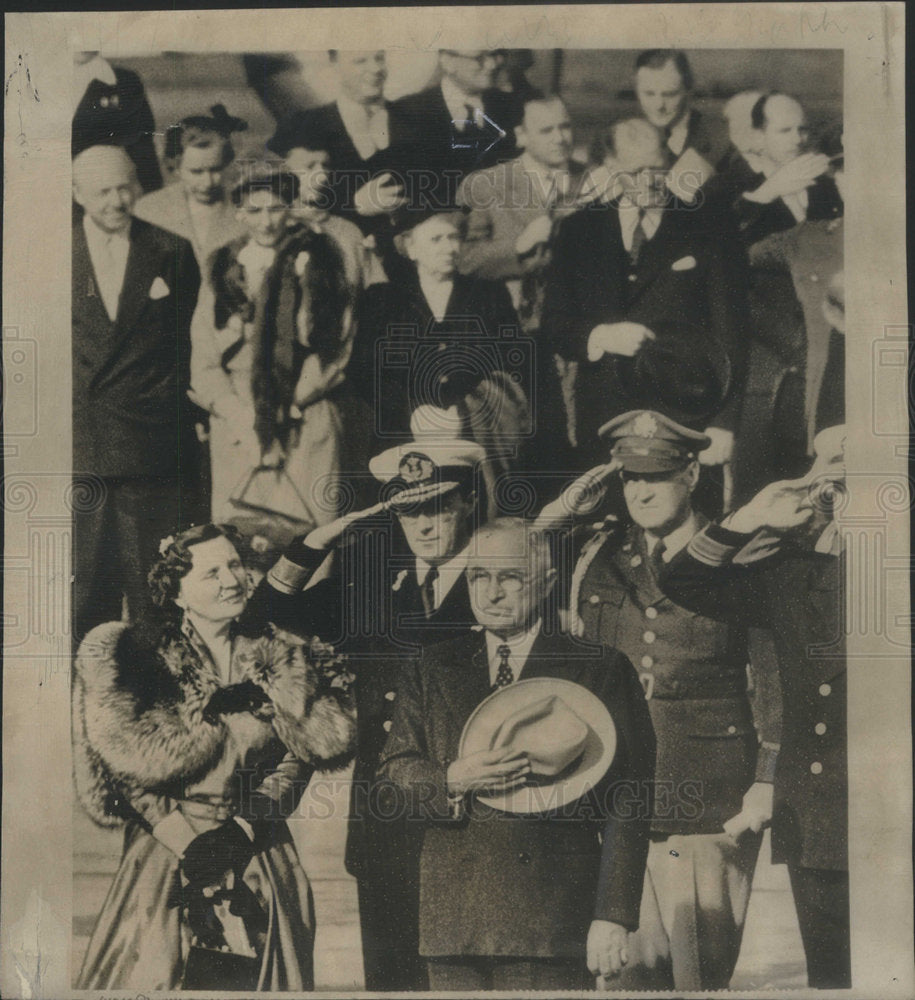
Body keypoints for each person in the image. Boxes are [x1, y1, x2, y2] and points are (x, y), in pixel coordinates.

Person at [242, 440, 487, 992]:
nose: (423, 525)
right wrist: (314, 542)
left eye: (438, 507)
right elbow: (265, 614)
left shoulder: (501, 584)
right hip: (386, 825)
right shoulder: (373, 588)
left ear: (469, 501)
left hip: (473, 821)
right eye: (408, 511)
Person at [549, 410, 780, 990]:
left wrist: (768, 776)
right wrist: (563, 512)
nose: (642, 491)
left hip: (704, 799)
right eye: (629, 478)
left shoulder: (737, 555)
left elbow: (772, 675)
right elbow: (517, 559)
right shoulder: (597, 553)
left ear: (692, 473)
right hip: (614, 794)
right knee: (622, 977)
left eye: (656, 475)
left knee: (699, 975)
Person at [72, 523, 357, 991]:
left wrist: (244, 829)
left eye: (235, 565)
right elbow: (127, 768)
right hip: (168, 849)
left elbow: (298, 754)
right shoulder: (143, 658)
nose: (232, 580)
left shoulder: (279, 651)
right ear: (177, 592)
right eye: (211, 573)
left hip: (258, 847)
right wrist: (189, 846)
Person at [377, 517, 656, 990]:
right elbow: (392, 776)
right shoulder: (429, 666)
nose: (491, 592)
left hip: (552, 920)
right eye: (479, 577)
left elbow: (629, 798)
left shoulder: (599, 667)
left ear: (547, 582)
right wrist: (451, 779)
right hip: (454, 923)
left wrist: (612, 915)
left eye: (509, 577)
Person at [661, 425, 849, 989]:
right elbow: (684, 581)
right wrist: (750, 518)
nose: (834, 489)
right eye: (830, 478)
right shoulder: (799, 575)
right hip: (823, 827)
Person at [542, 117, 749, 479]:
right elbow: (554, 325)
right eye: (635, 171)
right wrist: (601, 337)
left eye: (658, 168)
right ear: (609, 168)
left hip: (686, 418)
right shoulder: (578, 231)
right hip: (604, 423)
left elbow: (732, 331)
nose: (650, 181)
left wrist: (723, 422)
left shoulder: (711, 226)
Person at [72, 144, 201, 641]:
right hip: (82, 446)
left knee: (156, 591)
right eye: (102, 191)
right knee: (84, 591)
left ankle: (156, 703)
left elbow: (183, 346)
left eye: (125, 186)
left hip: (150, 446)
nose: (116, 200)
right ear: (77, 193)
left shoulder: (170, 250)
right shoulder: (50, 250)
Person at [189, 167, 356, 532]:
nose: (266, 222)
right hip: (238, 425)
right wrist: (241, 417)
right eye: (254, 210)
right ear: (239, 213)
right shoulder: (222, 268)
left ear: (292, 208)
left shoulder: (322, 262)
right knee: (243, 538)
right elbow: (203, 357)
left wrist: (283, 410)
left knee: (308, 542)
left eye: (276, 209)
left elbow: (334, 349)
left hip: (303, 417)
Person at [457, 94, 590, 473]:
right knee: (523, 453)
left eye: (565, 126)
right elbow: (463, 259)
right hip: (513, 342)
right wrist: (519, 245)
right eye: (546, 130)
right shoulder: (486, 184)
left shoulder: (593, 180)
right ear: (521, 135)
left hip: (575, 339)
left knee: (575, 446)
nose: (560, 137)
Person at [352, 207, 529, 472]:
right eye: (436, 239)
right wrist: (414, 412)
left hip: (475, 438)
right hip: (403, 437)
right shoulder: (383, 300)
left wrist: (460, 411)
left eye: (453, 237)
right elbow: (363, 371)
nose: (449, 247)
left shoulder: (490, 295)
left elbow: (514, 361)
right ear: (410, 247)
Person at [267, 50, 409, 234]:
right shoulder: (300, 127)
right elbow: (276, 199)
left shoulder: (416, 119)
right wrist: (354, 204)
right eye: (360, 60)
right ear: (335, 65)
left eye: (380, 58)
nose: (375, 68)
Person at [391, 49, 522, 209]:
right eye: (480, 57)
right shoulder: (407, 112)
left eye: (496, 54)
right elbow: (409, 192)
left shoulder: (512, 105)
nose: (492, 64)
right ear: (448, 62)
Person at [710, 92, 843, 247]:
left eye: (803, 129)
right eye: (785, 131)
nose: (798, 140)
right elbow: (721, 245)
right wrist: (765, 194)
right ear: (759, 137)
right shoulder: (726, 188)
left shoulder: (826, 183)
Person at [133, 104, 248, 264]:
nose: (207, 182)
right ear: (175, 167)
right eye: (196, 172)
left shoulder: (246, 208)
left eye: (215, 170)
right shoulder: (148, 211)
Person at [280, 131, 388, 289]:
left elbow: (378, 289)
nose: (323, 176)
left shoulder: (349, 230)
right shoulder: (276, 230)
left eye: (326, 166)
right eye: (309, 167)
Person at [73, 51, 162, 193]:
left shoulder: (125, 81)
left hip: (106, 190)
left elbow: (143, 147)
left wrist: (152, 196)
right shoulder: (38, 78)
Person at [633, 49, 729, 168]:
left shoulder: (720, 139)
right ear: (637, 91)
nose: (659, 105)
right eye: (649, 94)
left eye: (670, 94)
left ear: (688, 91)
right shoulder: (627, 136)